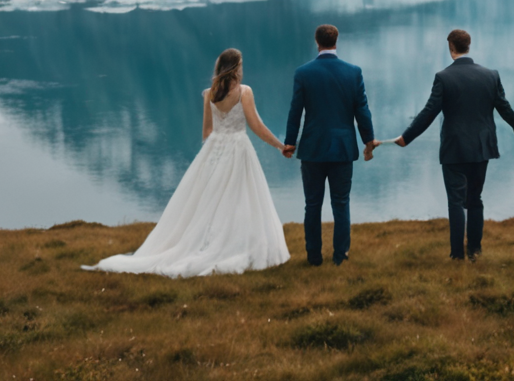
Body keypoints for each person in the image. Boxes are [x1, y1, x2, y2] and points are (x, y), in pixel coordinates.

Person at [85, 48, 290, 276]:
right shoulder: (244, 92)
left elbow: (207, 132)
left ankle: (206, 243)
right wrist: (280, 146)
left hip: (215, 151)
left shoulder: (210, 93)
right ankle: (232, 244)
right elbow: (257, 126)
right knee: (239, 199)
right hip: (238, 149)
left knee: (208, 202)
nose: (243, 69)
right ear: (236, 68)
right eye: (241, 65)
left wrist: (215, 149)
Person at [386, 28, 514, 260]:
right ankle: (475, 251)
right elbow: (503, 107)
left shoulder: (443, 77)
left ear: (451, 48)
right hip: (482, 147)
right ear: (469, 46)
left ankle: (457, 255)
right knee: (475, 199)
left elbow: (429, 113)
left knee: (456, 202)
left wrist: (406, 137)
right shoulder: (491, 75)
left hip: (455, 148)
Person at [282, 23, 376, 265]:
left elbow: (296, 112)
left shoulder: (303, 73)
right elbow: (362, 111)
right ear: (336, 41)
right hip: (343, 148)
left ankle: (313, 257)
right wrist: (368, 141)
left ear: (317, 42)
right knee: (341, 203)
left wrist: (290, 143)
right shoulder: (353, 72)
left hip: (312, 148)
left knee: (312, 204)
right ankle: (340, 256)